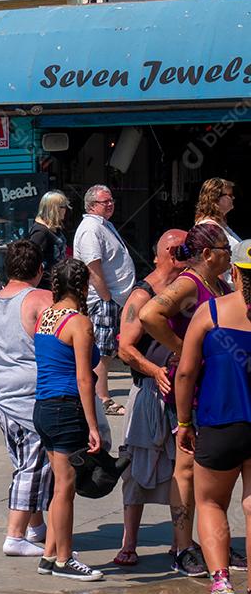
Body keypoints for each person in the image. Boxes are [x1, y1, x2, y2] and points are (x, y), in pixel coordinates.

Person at [141, 223, 239, 577]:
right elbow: (149, 315)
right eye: (226, 248)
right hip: (190, 390)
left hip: (213, 389)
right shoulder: (189, 284)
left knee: (214, 475)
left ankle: (215, 543)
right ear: (209, 254)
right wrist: (184, 352)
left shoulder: (221, 284)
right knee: (186, 468)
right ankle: (182, 546)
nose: (230, 253)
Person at [175, 238, 251, 594]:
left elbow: (186, 371)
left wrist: (184, 422)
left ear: (234, 271)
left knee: (210, 502)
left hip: (221, 422)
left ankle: (220, 582)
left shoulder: (211, 313)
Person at [113, 229, 189, 568]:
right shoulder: (143, 294)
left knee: (182, 469)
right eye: (191, 250)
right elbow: (125, 348)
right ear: (173, 252)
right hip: (148, 392)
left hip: (182, 395)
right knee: (136, 467)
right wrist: (154, 370)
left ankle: (181, 543)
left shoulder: (186, 287)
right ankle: (129, 543)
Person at [33, 259, 104, 581]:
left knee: (59, 484)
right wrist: (92, 425)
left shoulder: (45, 317)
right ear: (83, 287)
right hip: (66, 408)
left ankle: (49, 554)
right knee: (65, 487)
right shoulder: (79, 323)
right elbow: (84, 378)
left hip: (44, 408)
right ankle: (64, 560)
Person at [0, 240, 53, 557]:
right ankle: (15, 535)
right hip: (31, 392)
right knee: (33, 465)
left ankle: (35, 525)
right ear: (40, 270)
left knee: (23, 459)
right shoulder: (40, 298)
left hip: (2, 390)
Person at [72, 184, 135, 416]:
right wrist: (107, 298)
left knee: (107, 350)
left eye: (111, 201)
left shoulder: (103, 225)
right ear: (91, 205)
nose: (110, 204)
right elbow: (93, 266)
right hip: (102, 299)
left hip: (113, 298)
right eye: (104, 202)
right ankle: (102, 398)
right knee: (102, 351)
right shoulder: (90, 228)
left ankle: (101, 395)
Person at [195, 178, 239, 286]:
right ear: (215, 198)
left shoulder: (221, 224)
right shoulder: (208, 227)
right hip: (229, 290)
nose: (233, 197)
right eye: (229, 195)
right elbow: (210, 264)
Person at [28, 191, 71, 291]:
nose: (65, 210)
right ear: (54, 208)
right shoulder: (40, 232)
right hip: (46, 287)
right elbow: (32, 261)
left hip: (58, 283)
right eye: (63, 206)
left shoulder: (55, 228)